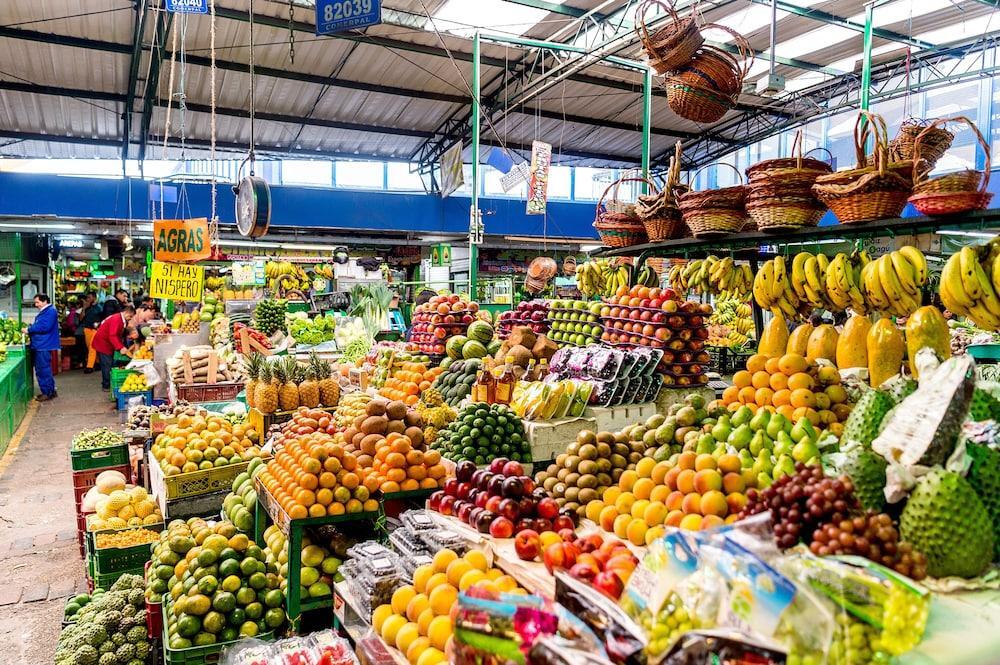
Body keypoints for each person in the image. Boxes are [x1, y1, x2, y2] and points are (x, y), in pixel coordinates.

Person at [26, 294, 60, 401]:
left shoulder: (50, 311)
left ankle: (46, 392)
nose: (36, 305)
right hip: (41, 344)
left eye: (37, 302)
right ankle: (50, 391)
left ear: (45, 301)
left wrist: (29, 329)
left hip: (43, 345)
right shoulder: (47, 311)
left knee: (42, 370)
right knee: (45, 369)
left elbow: (44, 327)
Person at [92, 304, 135, 390]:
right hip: (103, 343)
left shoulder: (121, 319)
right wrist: (120, 347)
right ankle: (106, 385)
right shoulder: (116, 319)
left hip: (107, 343)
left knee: (109, 363)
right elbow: (113, 335)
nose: (130, 318)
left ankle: (108, 382)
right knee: (106, 364)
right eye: (130, 316)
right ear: (126, 312)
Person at [80, 293, 104, 373]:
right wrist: (84, 308)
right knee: (90, 347)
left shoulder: (99, 308)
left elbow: (103, 318)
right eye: (87, 297)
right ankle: (97, 363)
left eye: (89, 297)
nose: (87, 299)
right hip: (87, 329)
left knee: (92, 347)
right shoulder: (87, 308)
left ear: (94, 298)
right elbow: (81, 318)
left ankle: (89, 366)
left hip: (95, 329)